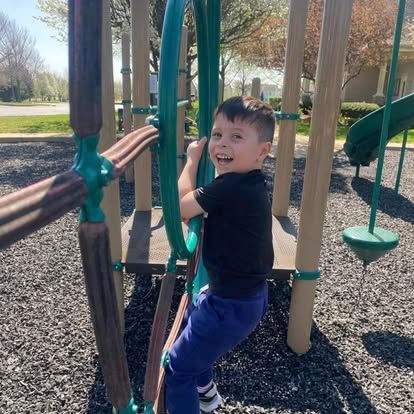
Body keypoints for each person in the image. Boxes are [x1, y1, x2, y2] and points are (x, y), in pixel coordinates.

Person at [165, 96, 275, 413]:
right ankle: (208, 397)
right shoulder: (247, 181)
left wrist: (191, 160)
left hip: (231, 305)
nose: (222, 144)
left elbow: (178, 208)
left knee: (177, 369)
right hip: (240, 295)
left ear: (262, 151)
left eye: (236, 136)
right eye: (217, 134)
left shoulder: (232, 187)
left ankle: (196, 397)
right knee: (191, 324)